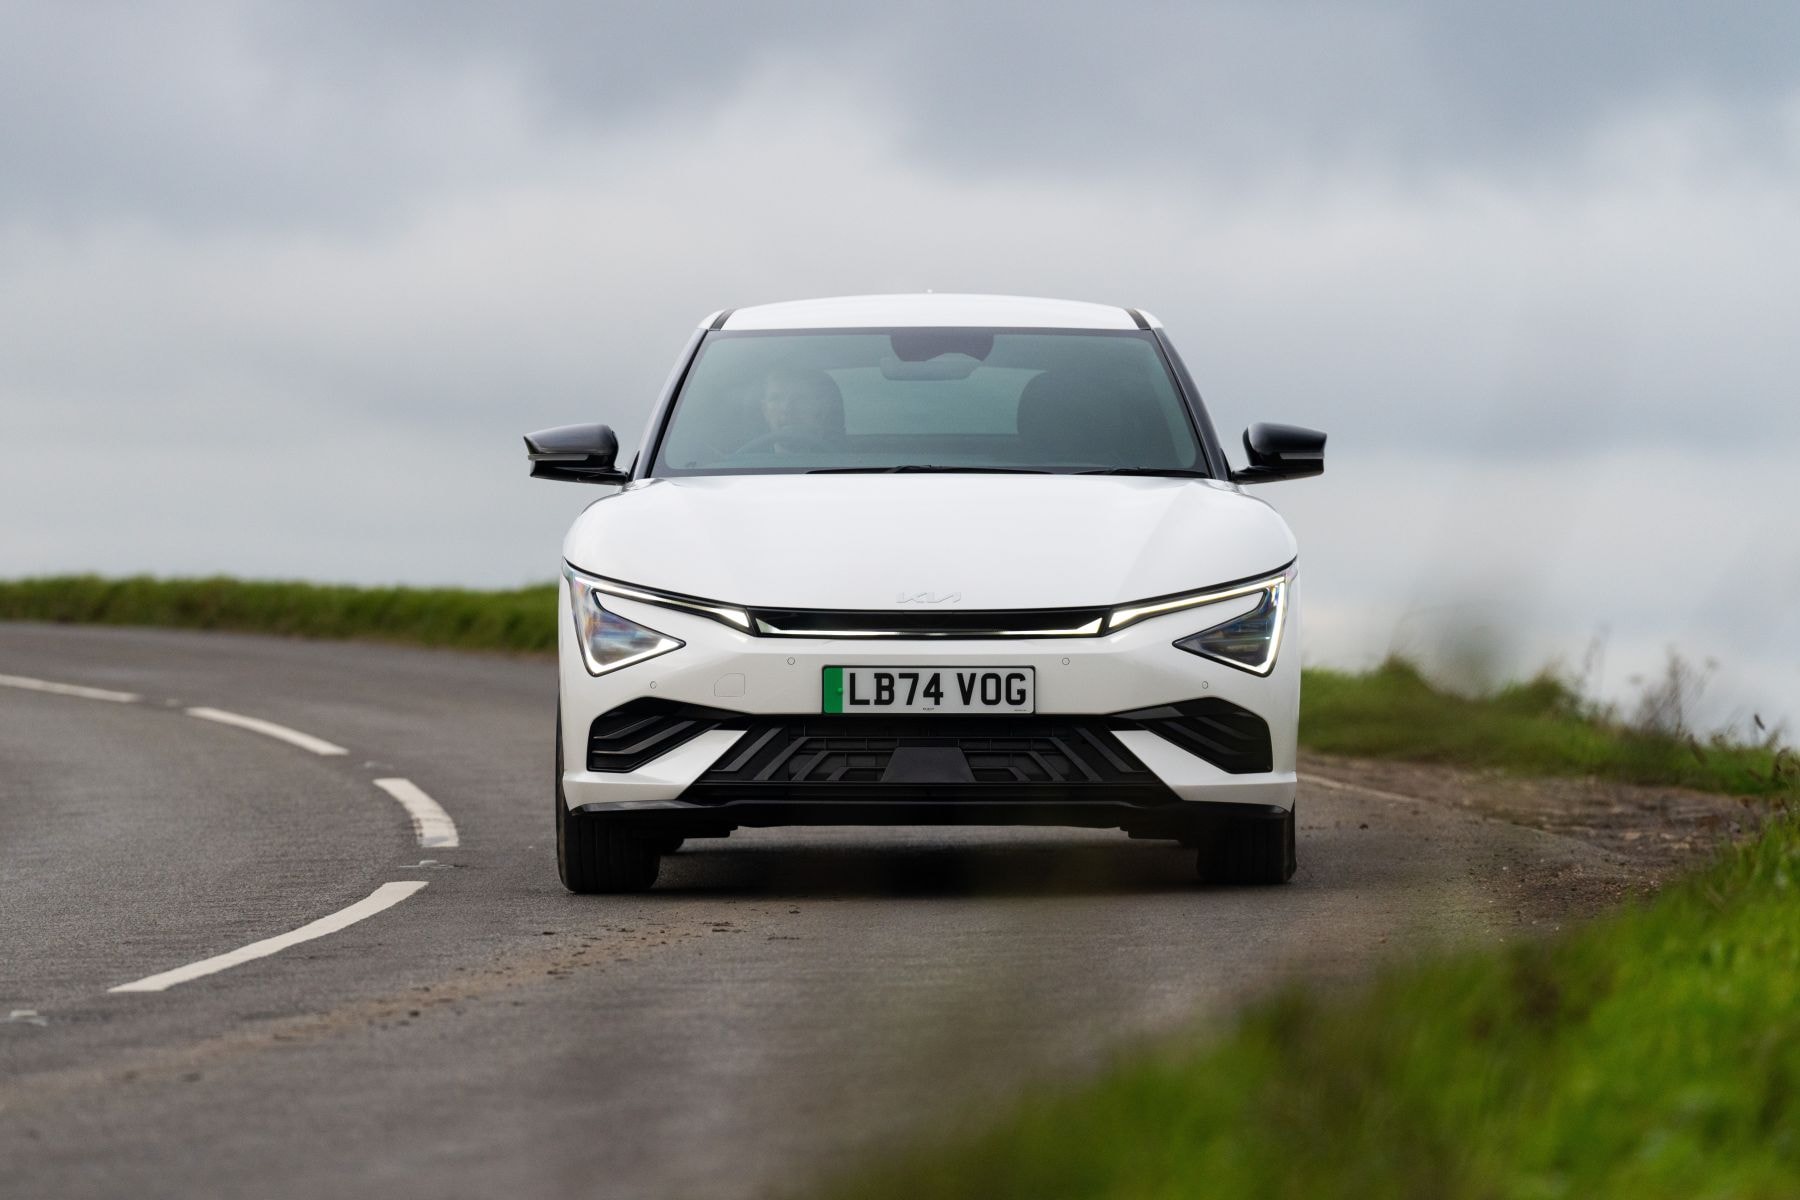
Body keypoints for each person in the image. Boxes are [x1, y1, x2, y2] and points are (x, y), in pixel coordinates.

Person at [745, 366, 843, 454]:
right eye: (776, 399)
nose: (786, 408)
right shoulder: (744, 467)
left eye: (800, 398)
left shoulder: (846, 466)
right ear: (765, 410)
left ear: (819, 410)